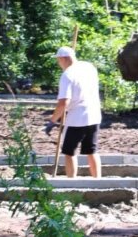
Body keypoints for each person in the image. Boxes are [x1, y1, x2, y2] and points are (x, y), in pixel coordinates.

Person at [49, 46, 102, 178]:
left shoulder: (67, 75)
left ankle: (71, 181)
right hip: (94, 115)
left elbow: (64, 102)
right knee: (92, 151)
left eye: (58, 60)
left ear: (63, 59)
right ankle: (97, 180)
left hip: (76, 119)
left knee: (69, 152)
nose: (59, 64)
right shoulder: (89, 67)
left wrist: (52, 121)